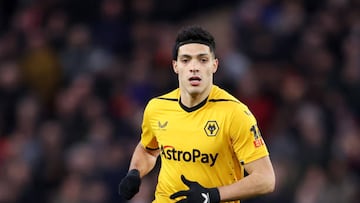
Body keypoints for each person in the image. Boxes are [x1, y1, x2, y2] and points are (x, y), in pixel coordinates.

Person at [119, 25, 275, 203]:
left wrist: (212, 195)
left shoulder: (235, 113)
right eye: (186, 60)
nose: (194, 67)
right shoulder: (157, 108)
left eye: (202, 60)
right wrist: (134, 172)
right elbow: (148, 150)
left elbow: (266, 179)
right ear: (175, 66)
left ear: (214, 65)